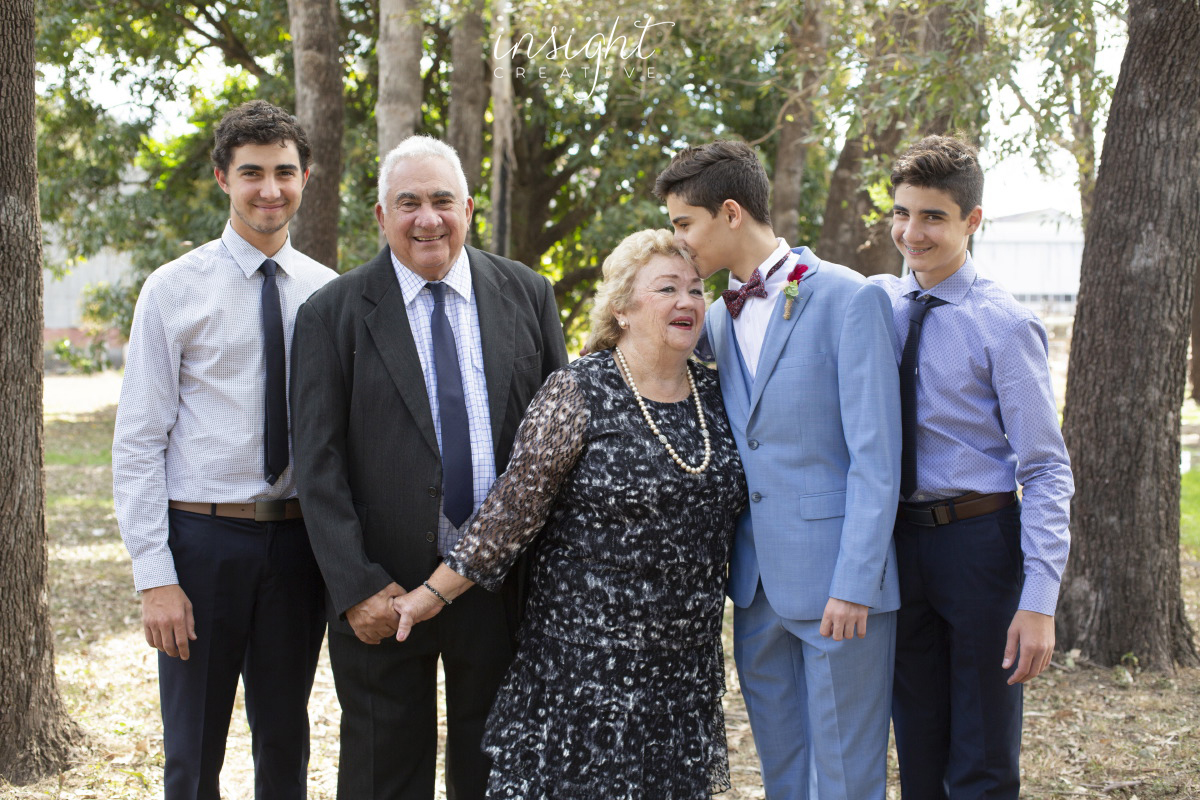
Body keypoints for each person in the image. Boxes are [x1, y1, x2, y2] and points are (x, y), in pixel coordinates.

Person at [390, 228, 747, 799]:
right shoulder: (577, 391)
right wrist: (429, 596)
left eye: (696, 289)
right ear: (624, 309)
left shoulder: (720, 394)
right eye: (667, 288)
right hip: (583, 669)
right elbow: (511, 512)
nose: (688, 301)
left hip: (681, 671)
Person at [290, 135, 568, 800]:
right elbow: (317, 466)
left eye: (442, 200)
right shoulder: (331, 315)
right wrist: (356, 587)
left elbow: (559, 452)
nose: (427, 218)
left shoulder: (529, 295)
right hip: (383, 594)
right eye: (407, 202)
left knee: (496, 769)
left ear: (468, 208)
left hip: (500, 589)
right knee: (385, 770)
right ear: (381, 218)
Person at [654, 140, 902, 800]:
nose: (679, 243)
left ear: (730, 212)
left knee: (846, 781)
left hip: (839, 589)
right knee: (784, 776)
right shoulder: (711, 318)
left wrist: (856, 582)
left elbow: (877, 460)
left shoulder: (850, 298)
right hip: (756, 588)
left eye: (684, 224)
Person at [112, 100, 335, 800]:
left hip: (299, 547)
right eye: (252, 173)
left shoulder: (328, 295)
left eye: (284, 173)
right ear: (222, 178)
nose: (270, 189)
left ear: (306, 178)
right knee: (192, 750)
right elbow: (139, 439)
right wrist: (156, 576)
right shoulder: (174, 289)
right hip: (201, 543)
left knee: (284, 743)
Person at [872, 134, 1073, 799]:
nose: (912, 231)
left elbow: (1046, 468)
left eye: (933, 216)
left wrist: (1039, 601)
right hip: (899, 545)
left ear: (972, 222)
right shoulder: (877, 312)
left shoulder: (1003, 325)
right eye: (902, 212)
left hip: (980, 547)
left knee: (982, 757)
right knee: (919, 747)